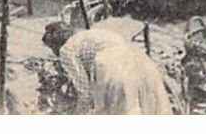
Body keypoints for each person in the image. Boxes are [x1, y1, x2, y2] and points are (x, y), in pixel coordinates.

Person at [42, 20, 174, 115]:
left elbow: (84, 91)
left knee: (118, 110)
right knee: (144, 104)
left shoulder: (66, 50)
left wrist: (79, 115)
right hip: (135, 57)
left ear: (55, 44)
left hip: (112, 65)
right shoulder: (85, 36)